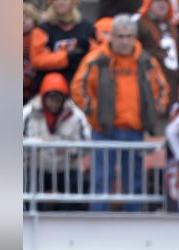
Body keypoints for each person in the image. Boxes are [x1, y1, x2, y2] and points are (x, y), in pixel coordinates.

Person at [71, 14, 170, 212]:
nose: (124, 41)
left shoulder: (146, 61)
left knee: (134, 183)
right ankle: (98, 225)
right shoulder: (96, 59)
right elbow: (78, 88)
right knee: (101, 181)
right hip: (103, 131)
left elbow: (162, 89)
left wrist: (154, 112)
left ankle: (133, 226)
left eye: (128, 36)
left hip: (134, 131)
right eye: (120, 36)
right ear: (111, 37)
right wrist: (93, 111)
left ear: (135, 38)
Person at [23, 73, 92, 209]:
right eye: (51, 98)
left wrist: (69, 150)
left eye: (58, 98)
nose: (54, 103)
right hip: (38, 168)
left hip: (66, 169)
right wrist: (38, 143)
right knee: (25, 183)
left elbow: (87, 142)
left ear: (64, 98)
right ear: (44, 97)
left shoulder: (76, 115)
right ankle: (31, 219)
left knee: (80, 183)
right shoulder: (28, 113)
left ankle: (70, 221)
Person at [29, 0, 99, 92]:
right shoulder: (42, 29)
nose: (60, 2)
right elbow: (36, 60)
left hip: (81, 84)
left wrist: (88, 48)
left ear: (73, 2)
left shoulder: (87, 28)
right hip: (51, 90)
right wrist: (67, 57)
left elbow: (98, 55)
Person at [137, 0, 179, 101]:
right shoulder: (140, 24)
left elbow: (178, 55)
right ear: (149, 3)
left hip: (172, 79)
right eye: (157, 1)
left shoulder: (173, 27)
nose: (162, 4)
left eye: (165, 1)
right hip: (149, 79)